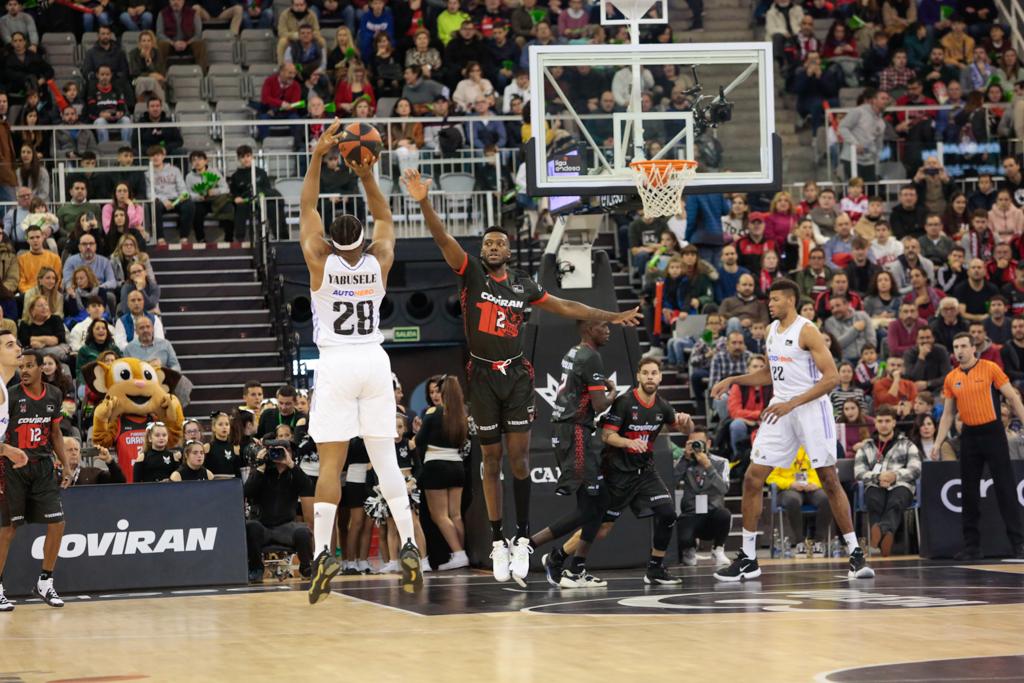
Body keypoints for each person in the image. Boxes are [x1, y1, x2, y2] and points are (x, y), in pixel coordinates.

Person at [402, 167, 641, 586]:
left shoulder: (523, 284)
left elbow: (566, 307)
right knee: (489, 461)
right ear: (483, 250)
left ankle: (522, 539)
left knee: (520, 459)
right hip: (481, 376)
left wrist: (611, 316)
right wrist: (423, 200)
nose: (494, 246)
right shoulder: (470, 272)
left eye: (501, 243)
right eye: (488, 242)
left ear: (509, 252)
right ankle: (497, 539)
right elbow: (443, 239)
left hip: (515, 375)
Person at [298, 120, 423, 602]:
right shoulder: (380, 259)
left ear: (331, 240)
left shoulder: (318, 259)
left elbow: (306, 206)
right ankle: (409, 544)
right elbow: (385, 217)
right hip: (374, 359)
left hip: (334, 362)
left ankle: (322, 554)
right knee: (385, 459)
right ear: (362, 241)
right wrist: (365, 170)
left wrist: (317, 156)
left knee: (331, 464)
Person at [710, 279, 873, 581]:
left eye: (774, 300)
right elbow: (770, 374)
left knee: (828, 477)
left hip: (811, 409)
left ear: (789, 301)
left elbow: (832, 378)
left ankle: (855, 554)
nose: (769, 305)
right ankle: (748, 558)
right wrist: (733, 379)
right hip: (781, 408)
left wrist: (794, 402)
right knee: (752, 477)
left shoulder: (807, 330)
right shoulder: (772, 331)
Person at [555, 358, 695, 585]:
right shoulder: (625, 402)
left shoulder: (662, 406)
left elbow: (684, 429)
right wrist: (629, 443)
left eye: (654, 373)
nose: (650, 377)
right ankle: (559, 557)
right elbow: (607, 435)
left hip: (645, 471)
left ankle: (655, 569)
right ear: (638, 377)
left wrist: (686, 422)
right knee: (601, 529)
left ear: (660, 378)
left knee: (668, 514)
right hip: (617, 473)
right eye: (646, 373)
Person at [528, 321, 616, 588]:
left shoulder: (574, 351)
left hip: (570, 431)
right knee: (590, 507)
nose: (608, 330)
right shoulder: (591, 356)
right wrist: (612, 393)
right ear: (588, 329)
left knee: (598, 505)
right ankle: (529, 546)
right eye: (603, 325)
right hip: (574, 431)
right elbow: (599, 404)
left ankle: (573, 567)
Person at [933, 333, 1024, 560]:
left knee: (1005, 488)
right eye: (955, 347)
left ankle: (1019, 543)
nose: (959, 350)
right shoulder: (951, 377)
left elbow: (1012, 398)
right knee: (969, 491)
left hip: (993, 432)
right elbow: (947, 415)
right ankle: (972, 546)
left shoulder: (990, 368)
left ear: (974, 348)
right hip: (970, 435)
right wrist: (938, 442)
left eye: (963, 346)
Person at [0, 346, 69, 610]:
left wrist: (65, 464)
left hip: (42, 468)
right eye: (21, 366)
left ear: (42, 367)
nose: (24, 370)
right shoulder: (11, 396)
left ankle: (45, 581)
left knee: (58, 523)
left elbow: (55, 434)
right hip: (12, 468)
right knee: (7, 529)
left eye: (29, 365)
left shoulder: (54, 394)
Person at [415, 375, 470, 570]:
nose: (435, 395)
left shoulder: (432, 412)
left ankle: (459, 553)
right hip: (456, 466)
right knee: (455, 515)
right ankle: (460, 553)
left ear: (444, 393)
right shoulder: (461, 414)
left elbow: (419, 442)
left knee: (439, 516)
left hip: (436, 466)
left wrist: (416, 431)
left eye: (438, 391)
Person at [854, 404, 921, 557]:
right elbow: (858, 472)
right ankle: (885, 536)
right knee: (874, 501)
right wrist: (878, 477)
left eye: (887, 421)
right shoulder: (866, 447)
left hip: (901, 484)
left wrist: (895, 476)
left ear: (894, 423)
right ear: (875, 423)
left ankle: (878, 536)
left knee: (896, 502)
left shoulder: (907, 444)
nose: (883, 425)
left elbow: (916, 468)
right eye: (880, 421)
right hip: (875, 484)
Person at [244, 439, 314, 582]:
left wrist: (291, 464)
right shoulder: (262, 471)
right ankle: (256, 569)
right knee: (251, 527)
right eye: (274, 451)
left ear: (289, 452)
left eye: (283, 450)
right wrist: (259, 467)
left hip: (286, 527)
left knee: (303, 531)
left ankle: (306, 568)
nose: (278, 455)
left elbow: (307, 486)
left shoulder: (294, 473)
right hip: (262, 526)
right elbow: (247, 492)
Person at [767, 447, 833, 556]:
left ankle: (818, 542)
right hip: (789, 489)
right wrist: (790, 484)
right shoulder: (781, 450)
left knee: (826, 499)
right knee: (792, 500)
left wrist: (815, 484)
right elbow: (770, 477)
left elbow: (824, 473)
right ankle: (800, 542)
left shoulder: (813, 448)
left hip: (812, 488)